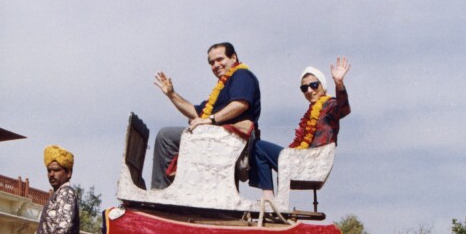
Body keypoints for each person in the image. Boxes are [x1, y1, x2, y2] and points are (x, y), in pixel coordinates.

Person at [151, 42, 261, 189]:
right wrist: (171, 95)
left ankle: (161, 189)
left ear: (233, 58)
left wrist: (210, 120)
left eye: (220, 59)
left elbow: (240, 104)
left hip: (233, 141)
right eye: (211, 62)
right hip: (220, 139)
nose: (216, 65)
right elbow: (196, 113)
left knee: (166, 136)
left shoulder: (242, 75)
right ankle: (177, 189)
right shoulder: (223, 86)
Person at [252, 57, 352, 196]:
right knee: (256, 148)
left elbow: (344, 109)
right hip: (303, 158)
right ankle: (269, 197)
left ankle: (268, 196)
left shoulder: (330, 105)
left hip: (312, 162)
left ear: (323, 86)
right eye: (304, 88)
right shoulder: (310, 113)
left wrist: (339, 83)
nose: (309, 90)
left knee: (258, 146)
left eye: (314, 85)